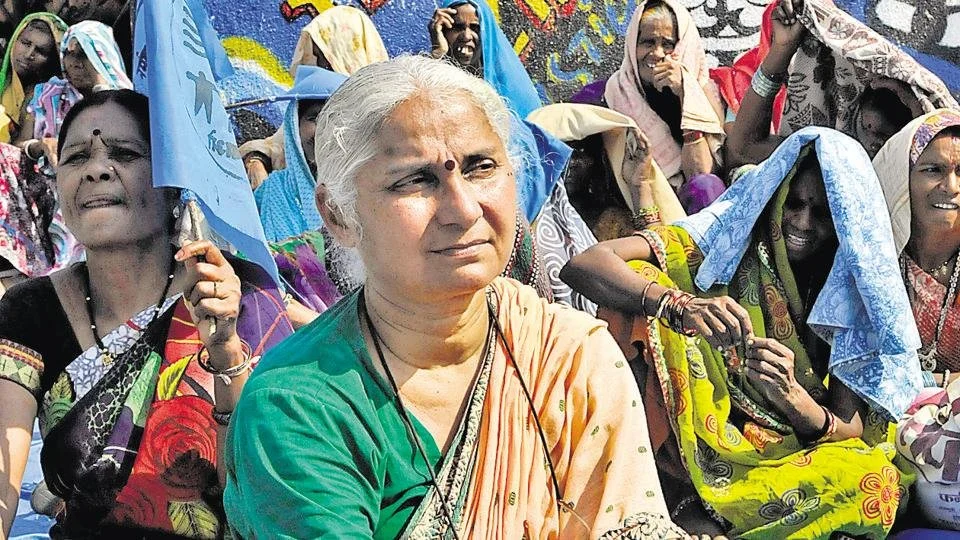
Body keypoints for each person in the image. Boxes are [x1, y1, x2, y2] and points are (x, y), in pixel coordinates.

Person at [223, 55, 684, 539]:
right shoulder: (299, 406)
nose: (463, 210)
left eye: (481, 167)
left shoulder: (569, 356)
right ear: (338, 215)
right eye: (415, 180)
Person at [561, 127, 923, 538]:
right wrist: (679, 305)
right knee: (640, 282)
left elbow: (847, 427)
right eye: (795, 205)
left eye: (822, 213)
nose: (802, 223)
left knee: (872, 483)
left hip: (793, 449)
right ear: (774, 199)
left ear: (847, 220)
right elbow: (584, 265)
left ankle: (718, 521)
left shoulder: (854, 293)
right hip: (700, 450)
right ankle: (677, 493)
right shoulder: (725, 247)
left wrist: (791, 399)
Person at [0, 90, 293, 537]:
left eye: (125, 153)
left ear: (171, 184)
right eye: (76, 157)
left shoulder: (238, 295)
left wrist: (226, 350)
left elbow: (271, 491)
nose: (97, 169)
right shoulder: (30, 308)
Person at [725, 0, 958, 167]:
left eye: (889, 137)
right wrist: (782, 50)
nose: (876, 145)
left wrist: (920, 115)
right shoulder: (832, 157)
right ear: (854, 105)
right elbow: (743, 149)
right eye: (870, 129)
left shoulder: (922, 178)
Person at [240, 6, 388, 189]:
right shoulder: (314, 104)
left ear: (349, 53)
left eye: (327, 57)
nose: (321, 66)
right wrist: (257, 161)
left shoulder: (386, 113)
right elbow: (278, 145)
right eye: (317, 57)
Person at [255, 66, 346, 324]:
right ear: (294, 126)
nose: (325, 130)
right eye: (315, 118)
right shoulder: (272, 194)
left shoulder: (369, 194)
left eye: (337, 117)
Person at [428, 0, 541, 117]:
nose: (466, 36)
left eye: (475, 28)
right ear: (443, 31)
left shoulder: (513, 90)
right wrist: (438, 54)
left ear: (487, 34)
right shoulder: (427, 77)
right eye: (457, 27)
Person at [0, 13, 65, 143]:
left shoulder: (50, 99)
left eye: (41, 51)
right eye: (25, 43)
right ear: (14, 40)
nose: (29, 54)